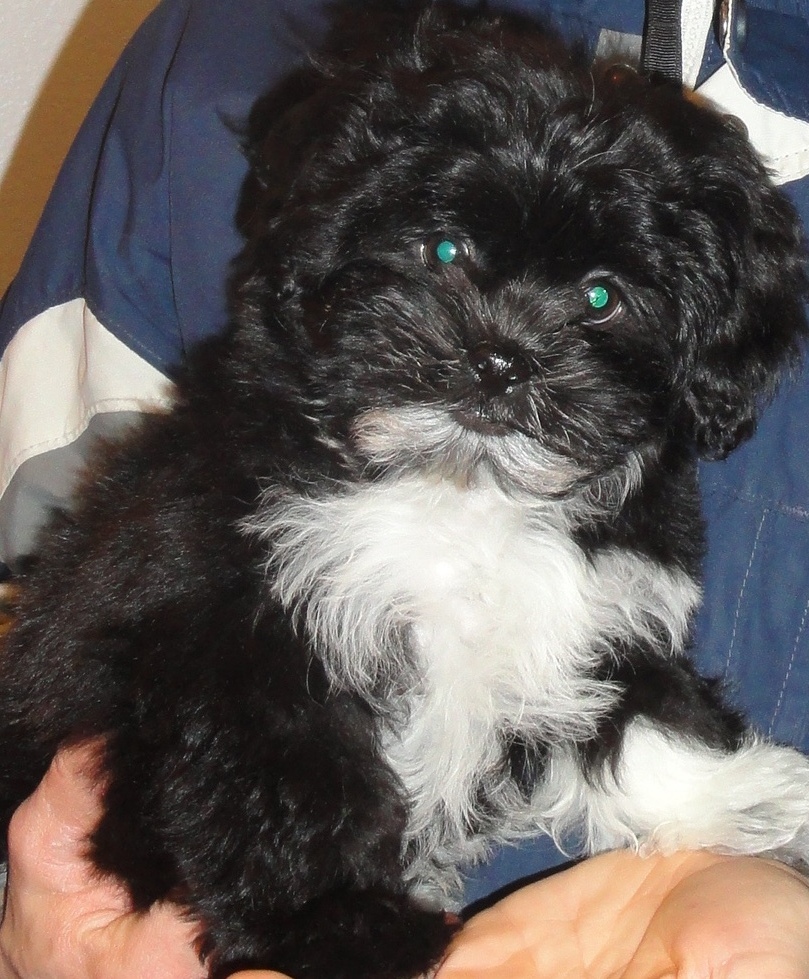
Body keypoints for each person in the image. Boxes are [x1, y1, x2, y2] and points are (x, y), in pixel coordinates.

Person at [1, 0, 809, 974]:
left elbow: (614, 686)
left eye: (596, 299)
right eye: (443, 255)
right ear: (326, 248)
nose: (502, 348)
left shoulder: (630, 519)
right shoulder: (230, 49)